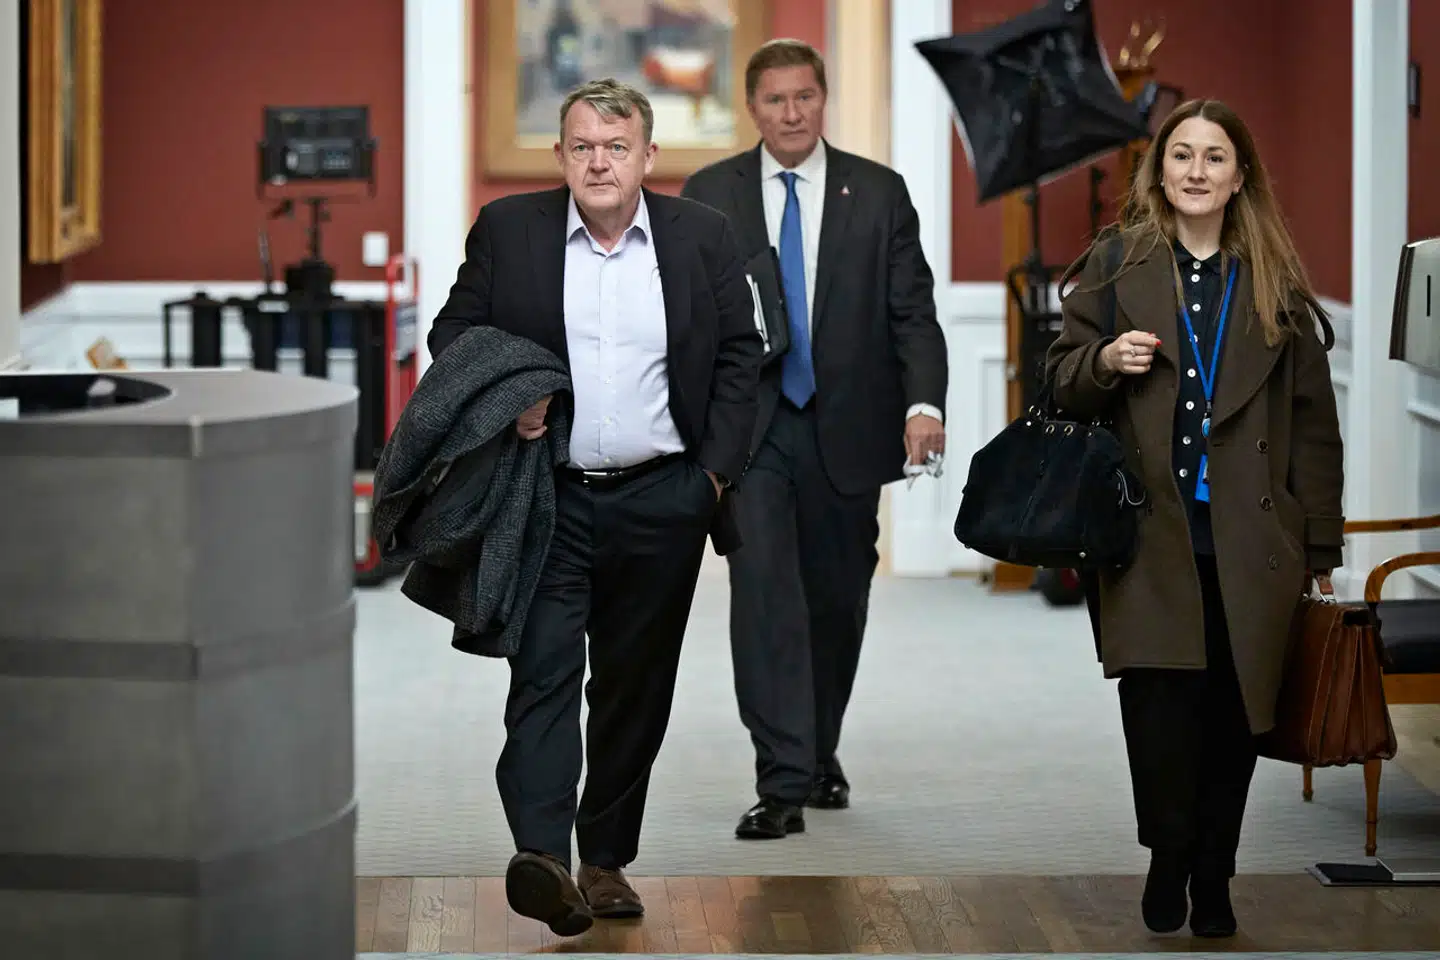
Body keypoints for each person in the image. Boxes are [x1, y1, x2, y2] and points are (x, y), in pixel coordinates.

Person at [427, 78, 762, 937]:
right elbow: (452, 337)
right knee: (542, 671)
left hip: (665, 498)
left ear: (649, 157)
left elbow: (738, 355)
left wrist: (710, 481)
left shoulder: (701, 237)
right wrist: (512, 397)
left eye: (617, 147)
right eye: (583, 146)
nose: (600, 162)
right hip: (547, 497)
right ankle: (541, 855)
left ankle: (604, 859)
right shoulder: (511, 231)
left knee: (632, 686)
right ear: (561, 157)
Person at [1045, 99, 1345, 939]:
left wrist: (1319, 539)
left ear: (1239, 176)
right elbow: (1059, 381)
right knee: (1158, 715)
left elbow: (1315, 425)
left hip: (1255, 542)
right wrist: (1105, 358)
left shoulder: (1275, 284)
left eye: (1215, 157)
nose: (1197, 170)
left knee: (1235, 719)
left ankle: (1214, 871)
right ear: (1160, 170)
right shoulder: (1117, 261)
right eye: (1182, 155)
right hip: (1147, 537)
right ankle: (1169, 851)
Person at [682, 39, 948, 840]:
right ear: (752, 108)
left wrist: (923, 403)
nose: (791, 113)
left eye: (804, 97)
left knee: (837, 602)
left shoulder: (879, 192)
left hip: (849, 428)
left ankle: (819, 747)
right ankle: (783, 780)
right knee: (764, 598)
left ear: (822, 100)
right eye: (775, 100)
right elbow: (689, 326)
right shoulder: (708, 195)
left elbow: (913, 313)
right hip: (752, 435)